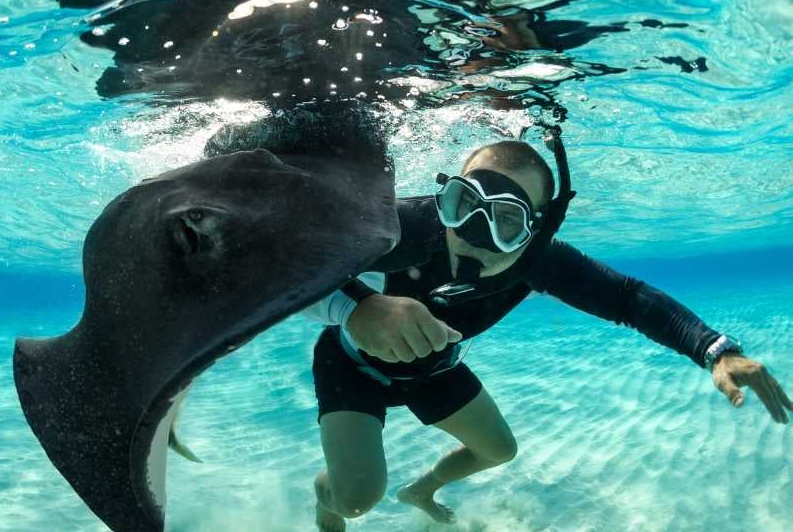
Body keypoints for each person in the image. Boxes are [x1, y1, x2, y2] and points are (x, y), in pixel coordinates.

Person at [302, 137, 790, 532]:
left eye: (506, 220)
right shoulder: (405, 227)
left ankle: (423, 489)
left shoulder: (540, 262)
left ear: (536, 230)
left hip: (435, 366)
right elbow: (293, 256)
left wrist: (713, 350)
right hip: (354, 363)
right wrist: (355, 308)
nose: (472, 232)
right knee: (358, 499)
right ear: (444, 197)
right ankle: (328, 499)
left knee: (498, 451)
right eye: (464, 203)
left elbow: (629, 299)